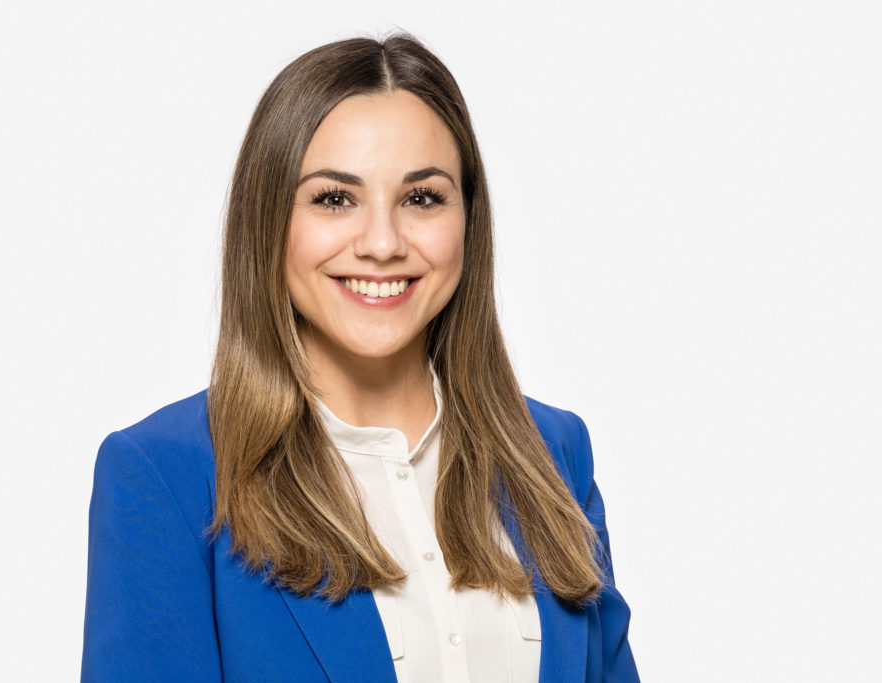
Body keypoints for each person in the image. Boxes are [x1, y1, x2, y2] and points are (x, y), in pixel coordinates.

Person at [81, 33, 639, 683]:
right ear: (269, 219)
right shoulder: (166, 476)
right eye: (334, 198)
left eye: (421, 197)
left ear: (468, 217)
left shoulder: (554, 452)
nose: (382, 243)